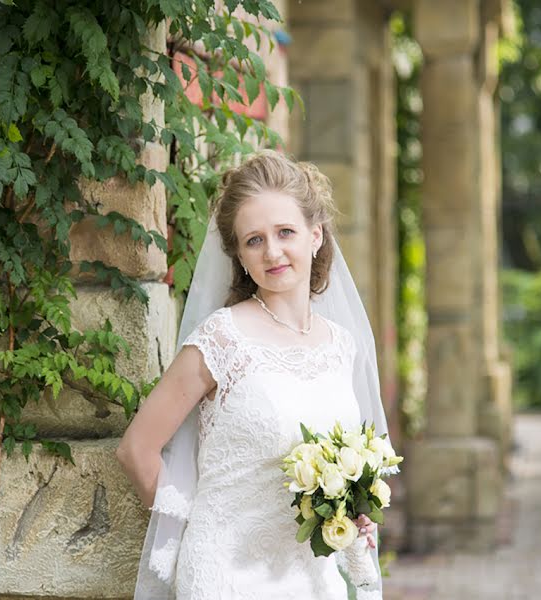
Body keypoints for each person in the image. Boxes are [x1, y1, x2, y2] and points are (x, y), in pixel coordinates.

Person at [117, 151, 392, 599]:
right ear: (240, 255)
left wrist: (350, 514)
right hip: (226, 576)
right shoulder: (222, 339)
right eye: (254, 240)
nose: (273, 251)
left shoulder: (343, 345)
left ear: (315, 235)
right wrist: (188, 531)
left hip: (313, 579)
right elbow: (136, 449)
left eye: (285, 232)